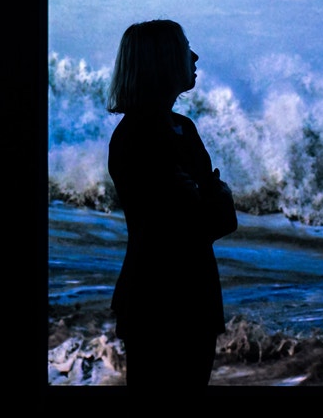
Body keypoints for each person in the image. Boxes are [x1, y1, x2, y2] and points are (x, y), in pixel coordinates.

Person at [107, 19, 236, 387]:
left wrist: (205, 197)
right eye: (184, 49)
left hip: (185, 294)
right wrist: (212, 194)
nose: (194, 56)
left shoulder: (179, 128)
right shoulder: (140, 136)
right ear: (162, 61)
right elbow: (198, 219)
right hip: (161, 299)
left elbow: (218, 217)